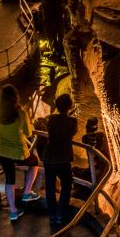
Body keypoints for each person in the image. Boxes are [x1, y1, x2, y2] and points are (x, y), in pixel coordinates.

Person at [0, 84, 40, 221]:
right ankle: (27, 193)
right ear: (15, 97)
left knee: (10, 179)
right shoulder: (20, 113)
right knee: (35, 162)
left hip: (2, 151)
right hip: (19, 151)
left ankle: (13, 211)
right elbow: (28, 132)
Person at [43, 94, 79, 226]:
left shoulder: (51, 119)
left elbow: (52, 130)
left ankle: (52, 214)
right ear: (69, 106)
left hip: (49, 157)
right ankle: (61, 214)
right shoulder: (72, 121)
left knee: (50, 187)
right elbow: (72, 133)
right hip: (63, 158)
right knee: (66, 185)